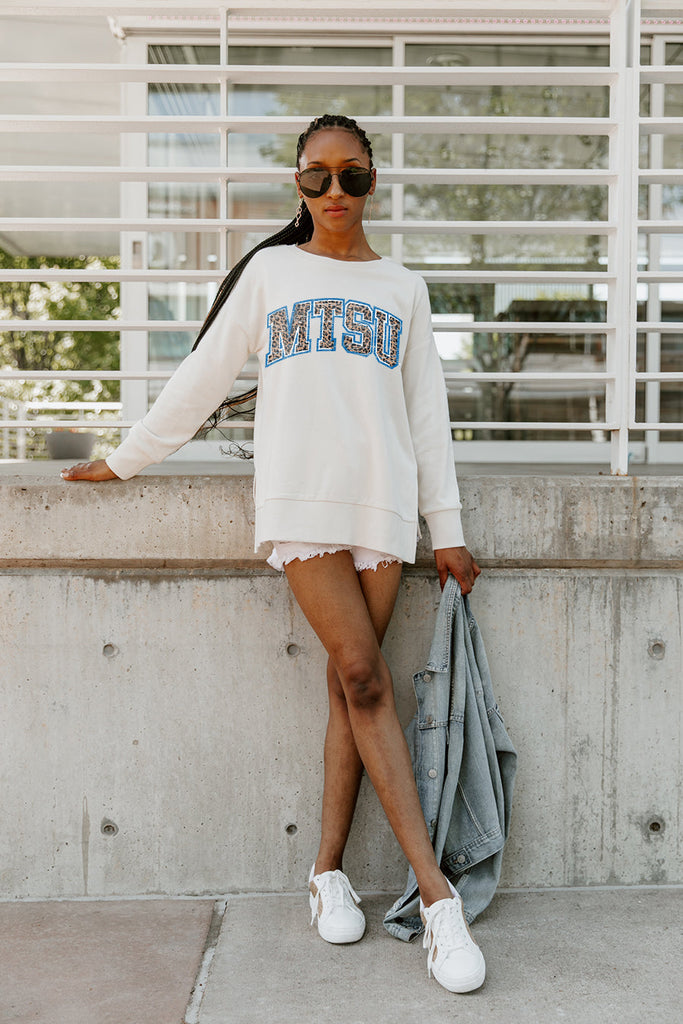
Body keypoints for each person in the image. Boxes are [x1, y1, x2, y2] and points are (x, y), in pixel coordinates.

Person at [61, 114, 485, 994]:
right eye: (316, 176)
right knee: (365, 675)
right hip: (299, 501)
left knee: (347, 688)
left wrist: (444, 527)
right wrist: (126, 458)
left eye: (351, 175)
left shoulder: (402, 286)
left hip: (382, 503)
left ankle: (326, 872)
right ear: (298, 184)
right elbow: (205, 373)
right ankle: (437, 897)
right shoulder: (271, 272)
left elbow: (426, 413)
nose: (334, 191)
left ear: (372, 182)